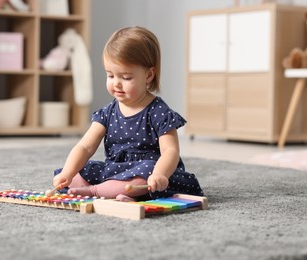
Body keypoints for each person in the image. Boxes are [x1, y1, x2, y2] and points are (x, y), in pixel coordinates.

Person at [52, 26, 204, 201]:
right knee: (78, 170)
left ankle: (96, 192)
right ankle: (111, 192)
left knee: (146, 173)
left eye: (125, 78)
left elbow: (170, 150)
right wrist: (67, 173)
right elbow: (85, 147)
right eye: (110, 76)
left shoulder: (159, 112)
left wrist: (160, 174)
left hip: (149, 174)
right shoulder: (106, 113)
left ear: (149, 75)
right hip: (116, 172)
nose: (116, 83)